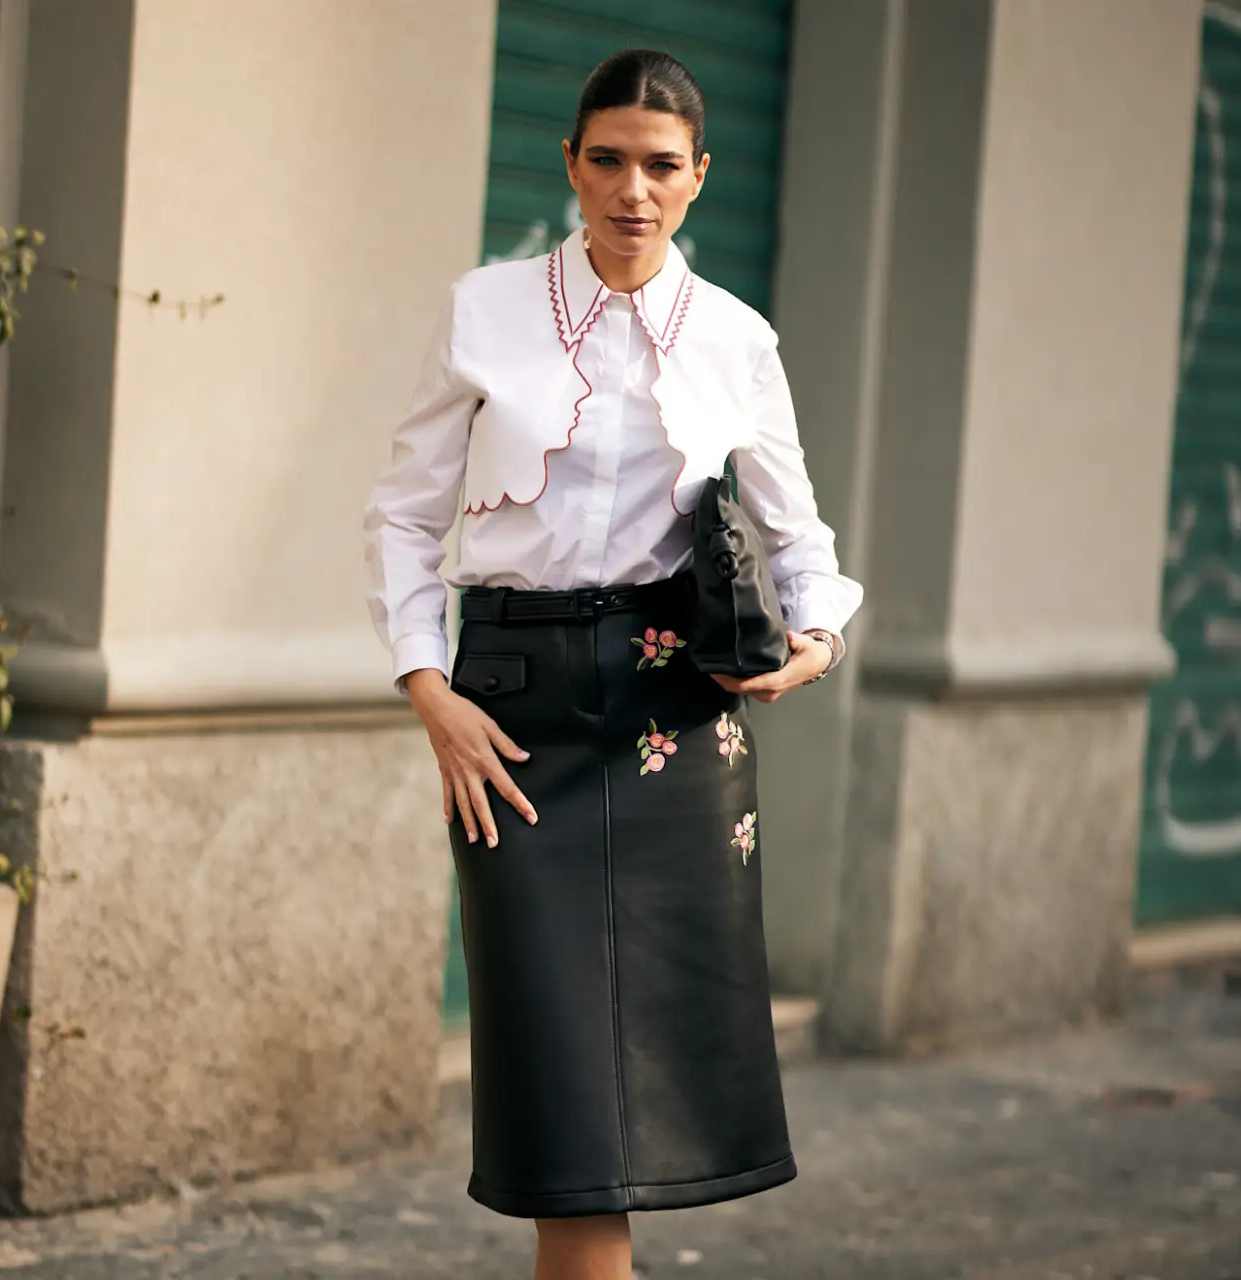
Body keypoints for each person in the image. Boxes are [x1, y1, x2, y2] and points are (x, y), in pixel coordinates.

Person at [364, 48, 863, 1280]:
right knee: (559, 1085)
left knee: (647, 1095)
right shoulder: (482, 309)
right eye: (607, 160)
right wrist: (432, 691)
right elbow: (402, 514)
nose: (630, 190)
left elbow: (800, 536)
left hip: (672, 716)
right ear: (573, 164)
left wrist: (811, 643)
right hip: (513, 706)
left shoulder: (738, 340)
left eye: (659, 165)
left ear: (698, 177)